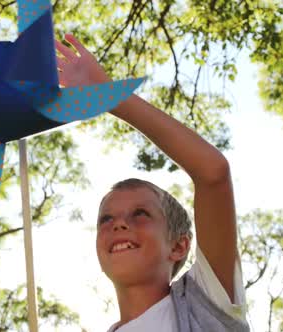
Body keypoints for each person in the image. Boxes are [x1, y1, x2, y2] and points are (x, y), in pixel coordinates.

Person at [55, 34, 249, 332]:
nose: (117, 225)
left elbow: (213, 174)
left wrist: (109, 97)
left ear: (179, 245)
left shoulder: (204, 305)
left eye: (140, 214)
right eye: (105, 219)